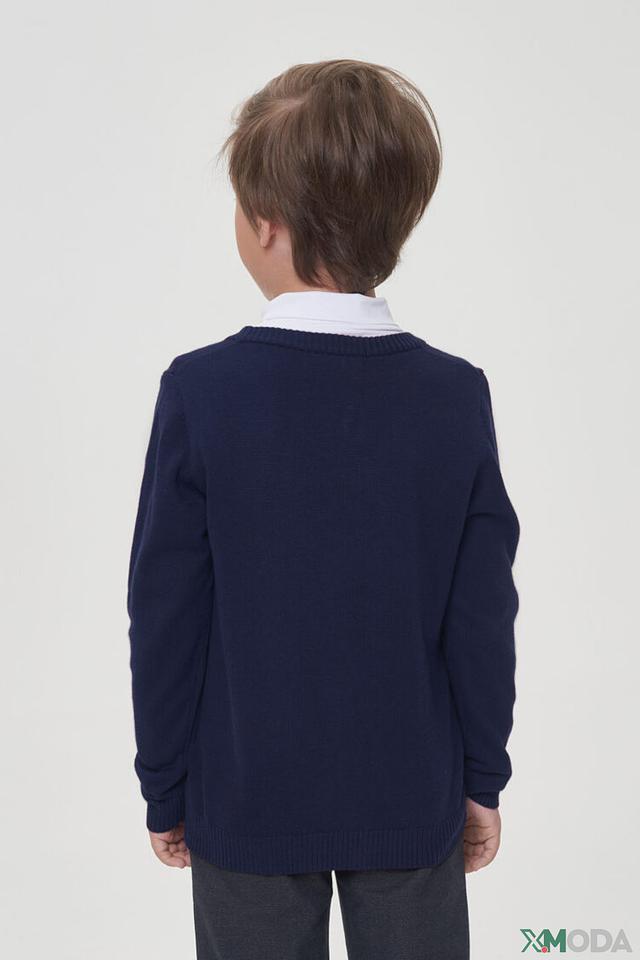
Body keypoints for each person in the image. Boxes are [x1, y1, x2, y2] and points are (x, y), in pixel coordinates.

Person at [128, 59, 520, 960]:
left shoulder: (202, 393)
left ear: (266, 222)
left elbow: (166, 612)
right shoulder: (453, 397)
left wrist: (164, 781)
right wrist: (481, 777)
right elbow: (481, 614)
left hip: (246, 800)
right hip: (410, 798)